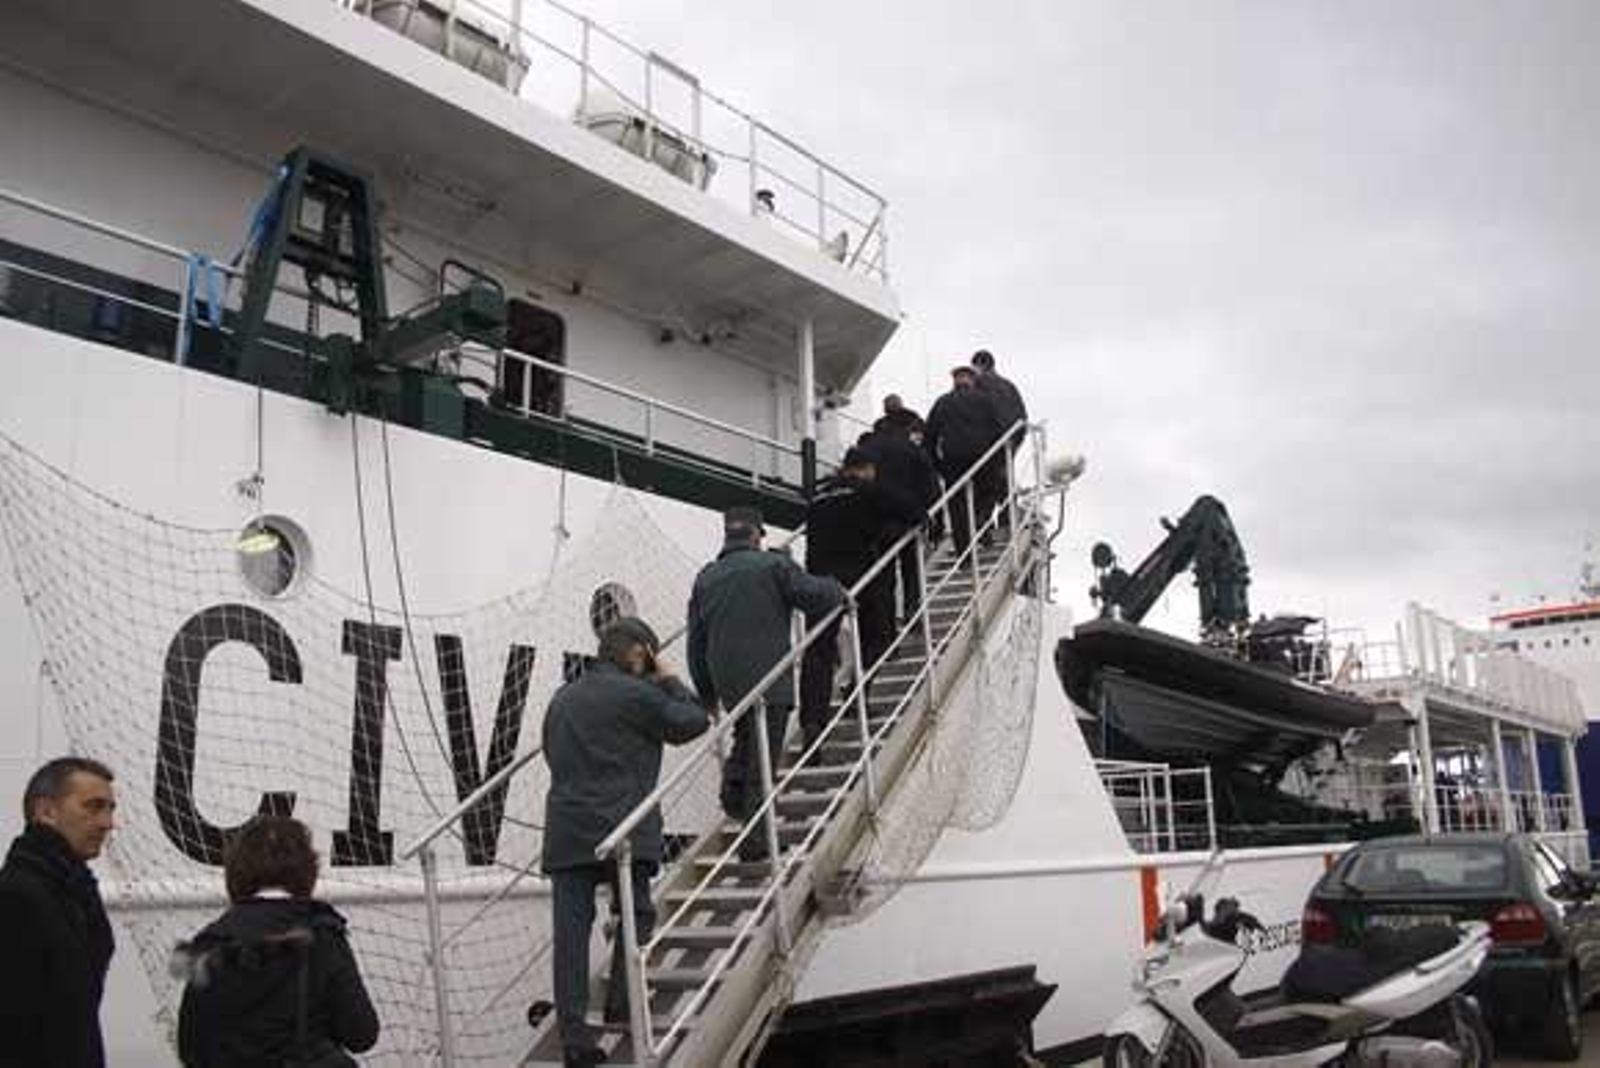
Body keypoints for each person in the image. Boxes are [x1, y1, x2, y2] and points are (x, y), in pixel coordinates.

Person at [541, 617, 709, 1068]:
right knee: (637, 916)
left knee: (571, 936)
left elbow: (552, 752)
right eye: (650, 655)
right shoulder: (639, 695)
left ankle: (576, 1040)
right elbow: (695, 720)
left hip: (568, 831)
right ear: (639, 652)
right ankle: (621, 1004)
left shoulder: (562, 698)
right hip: (623, 833)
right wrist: (668, 678)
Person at [688, 507, 845, 841]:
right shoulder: (773, 566)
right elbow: (814, 596)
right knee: (763, 759)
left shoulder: (706, 577)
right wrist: (836, 588)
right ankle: (757, 842)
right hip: (769, 678)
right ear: (757, 534)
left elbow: (695, 642)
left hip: (728, 681)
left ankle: (734, 787)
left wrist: (706, 692)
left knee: (747, 737)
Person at [174, 815, 378, 1068]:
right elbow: (361, 1035)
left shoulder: (207, 941)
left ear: (234, 872)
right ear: (308, 870)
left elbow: (189, 1047)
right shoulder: (323, 933)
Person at [799, 448, 924, 750]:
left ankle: (812, 722)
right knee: (880, 638)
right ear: (867, 469)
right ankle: (857, 693)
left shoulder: (818, 497)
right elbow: (915, 512)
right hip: (860, 576)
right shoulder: (868, 491)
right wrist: (888, 531)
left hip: (820, 580)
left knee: (818, 652)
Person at [0, 756, 117, 1068]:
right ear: (46, 811)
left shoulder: (75, 893)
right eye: (94, 807)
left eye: (110, 809)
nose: (107, 823)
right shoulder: (17, 898)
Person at [857, 423, 939, 619]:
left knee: (884, 577)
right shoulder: (913, 450)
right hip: (908, 518)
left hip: (878, 521)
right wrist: (924, 512)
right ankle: (913, 611)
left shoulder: (868, 449)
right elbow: (931, 484)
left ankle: (887, 622)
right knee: (911, 569)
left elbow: (859, 484)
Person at [923, 365, 1006, 555]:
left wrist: (938, 465)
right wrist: (998, 459)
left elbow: (929, 437)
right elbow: (999, 430)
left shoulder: (942, 402)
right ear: (972, 380)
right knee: (988, 492)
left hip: (953, 460)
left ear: (955, 381)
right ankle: (981, 522)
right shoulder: (985, 400)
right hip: (983, 457)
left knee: (957, 506)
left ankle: (965, 554)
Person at [971, 349, 1029, 532]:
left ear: (979, 365)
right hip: (1010, 440)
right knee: (1004, 482)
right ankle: (1007, 522)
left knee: (986, 485)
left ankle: (984, 526)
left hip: (990, 442)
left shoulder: (978, 384)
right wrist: (1015, 442)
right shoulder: (1009, 386)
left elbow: (977, 414)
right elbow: (1023, 417)